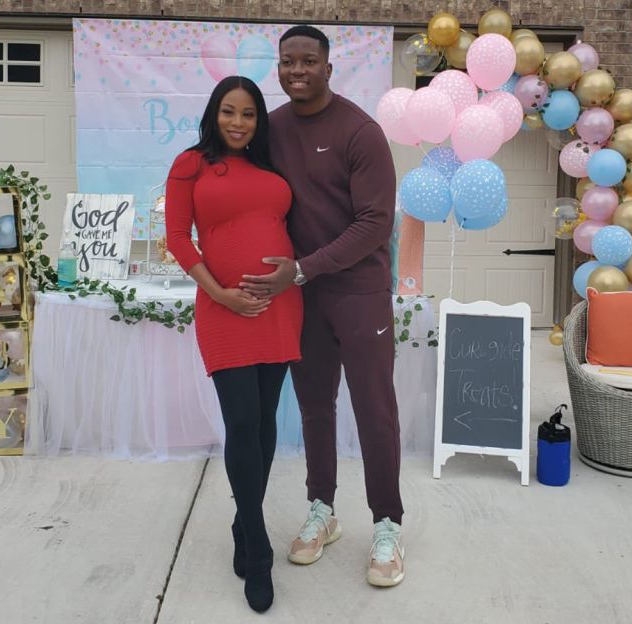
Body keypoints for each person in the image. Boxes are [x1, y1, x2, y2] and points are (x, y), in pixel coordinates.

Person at [240, 25, 405, 588]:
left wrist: (306, 267)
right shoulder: (273, 128)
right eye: (288, 62)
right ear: (279, 67)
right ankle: (322, 510)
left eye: (309, 61)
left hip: (358, 292)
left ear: (329, 69)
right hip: (300, 296)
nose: (297, 71)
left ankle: (387, 525)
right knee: (314, 406)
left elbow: (375, 223)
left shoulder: (361, 131)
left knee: (374, 409)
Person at [165, 75, 302, 613]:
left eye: (248, 113)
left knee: (265, 420)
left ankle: (243, 524)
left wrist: (295, 273)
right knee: (242, 421)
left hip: (280, 307)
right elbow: (178, 236)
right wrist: (221, 293)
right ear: (213, 113)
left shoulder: (272, 166)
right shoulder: (191, 164)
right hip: (224, 310)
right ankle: (259, 546)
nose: (239, 122)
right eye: (229, 111)